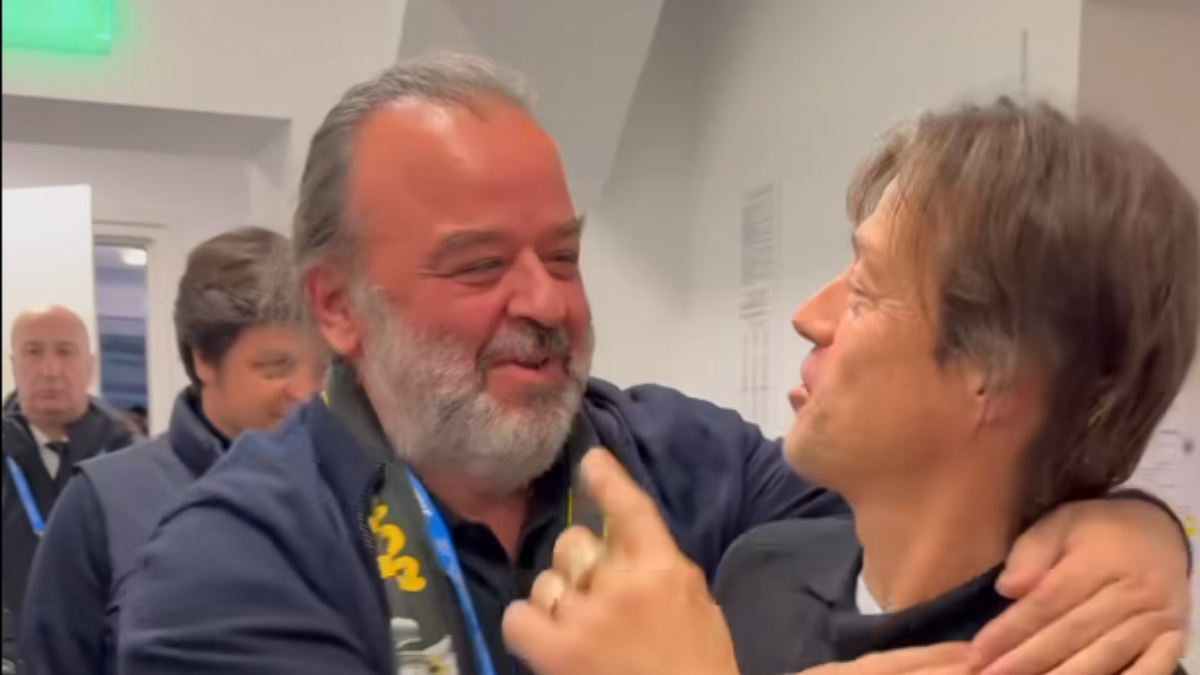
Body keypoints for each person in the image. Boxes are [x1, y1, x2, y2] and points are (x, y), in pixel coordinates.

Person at [118, 55, 1190, 675]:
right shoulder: (228, 564)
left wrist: (1130, 525)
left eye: (563, 255)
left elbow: (948, 490)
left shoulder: (693, 467)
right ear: (338, 307)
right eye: (480, 265)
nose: (546, 303)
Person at [501, 100, 1197, 675]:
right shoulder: (763, 570)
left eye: (863, 294)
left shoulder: (1099, 659)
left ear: (997, 374)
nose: (810, 317)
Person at [18, 227, 324, 675]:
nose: (305, 392)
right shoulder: (101, 503)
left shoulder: (356, 490)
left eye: (321, 369)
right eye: (275, 367)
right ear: (203, 359)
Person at [1, 306, 137, 630]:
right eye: (33, 352)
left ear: (90, 366)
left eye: (65, 352)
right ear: (13, 365)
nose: (50, 370)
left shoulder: (131, 458)